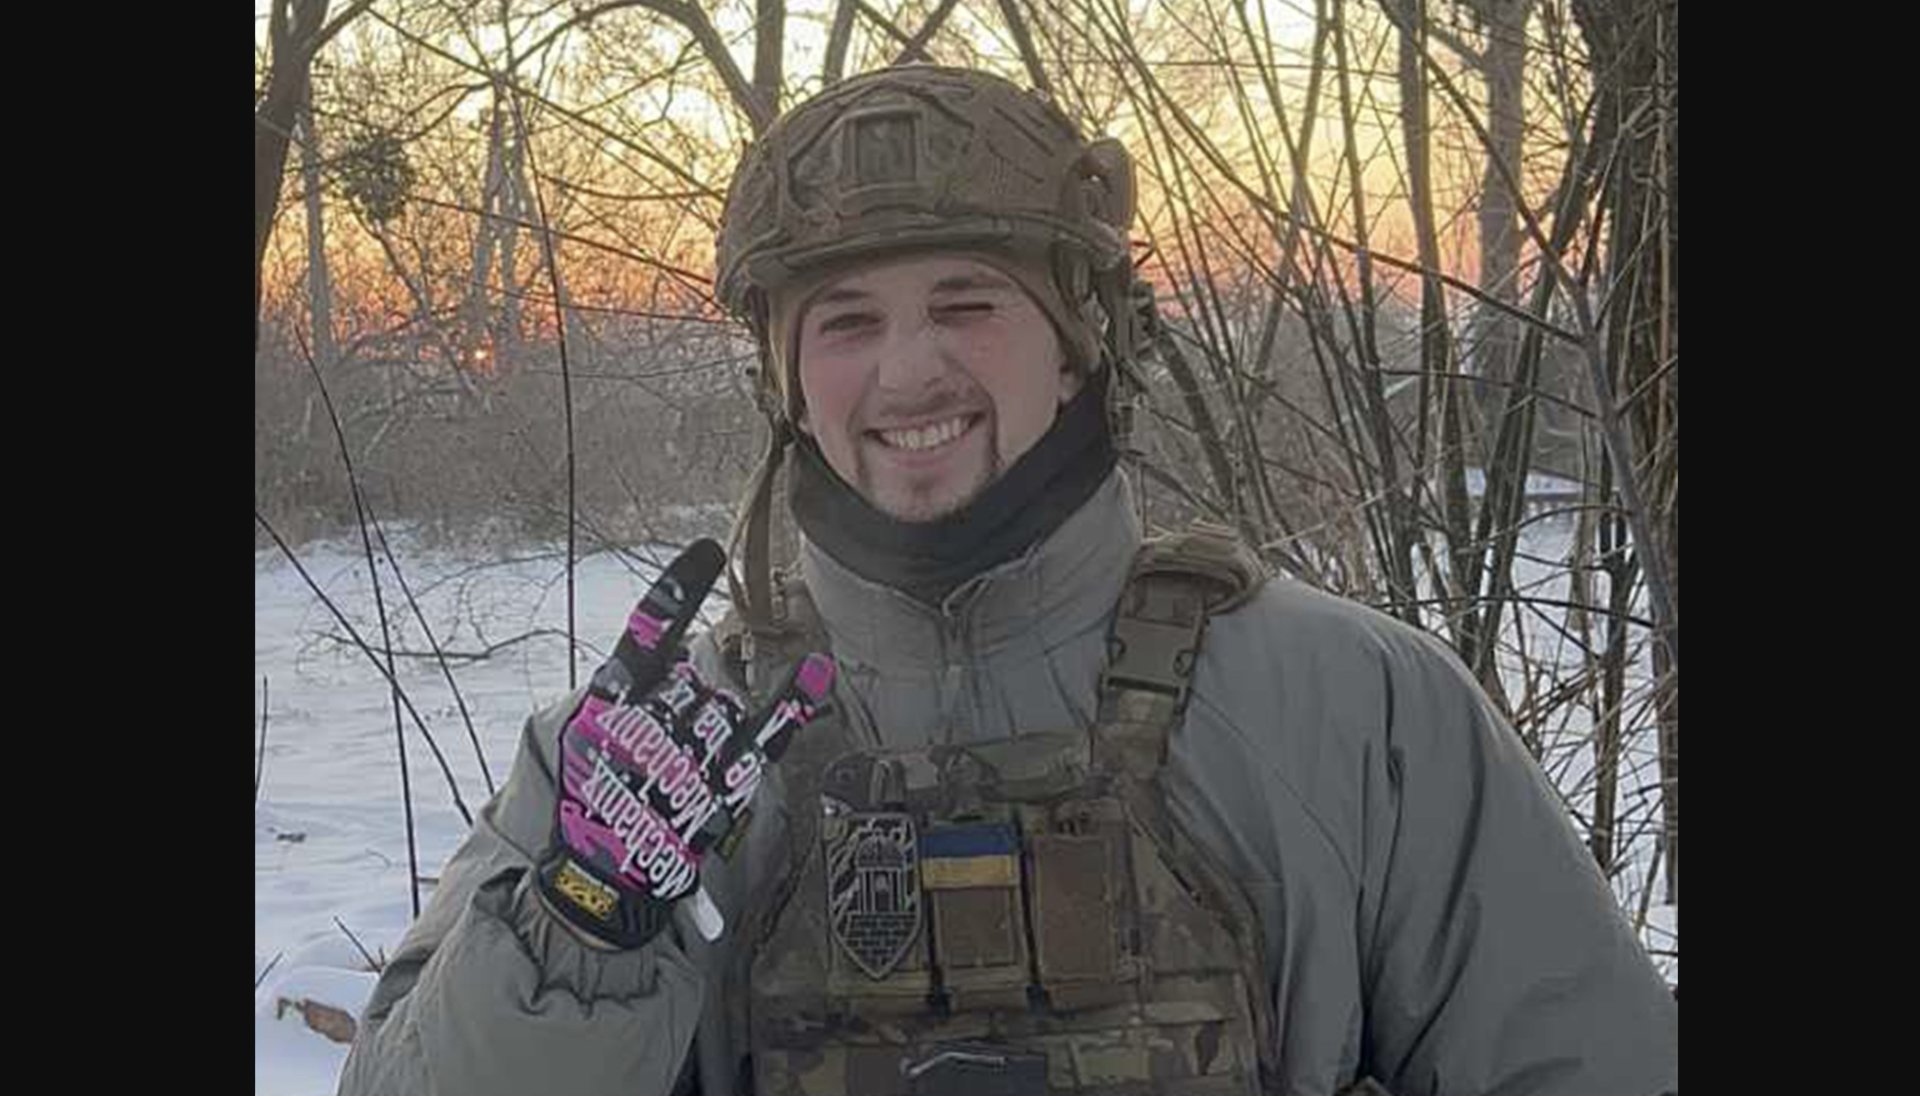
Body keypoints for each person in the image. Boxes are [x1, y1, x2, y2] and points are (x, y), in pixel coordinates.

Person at [338, 65, 1678, 1096]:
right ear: (784, 382)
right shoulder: (653, 766)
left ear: (1082, 339)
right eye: (847, 322)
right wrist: (580, 929)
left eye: (967, 303)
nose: (908, 372)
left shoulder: (1351, 711)